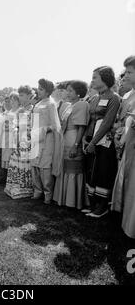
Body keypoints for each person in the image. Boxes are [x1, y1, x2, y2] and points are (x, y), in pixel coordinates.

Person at [83, 66, 120, 218]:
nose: (92, 80)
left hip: (105, 143)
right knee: (92, 172)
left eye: (95, 77)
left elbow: (107, 123)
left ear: (105, 79)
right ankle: (93, 205)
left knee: (103, 172)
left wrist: (93, 142)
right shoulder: (95, 98)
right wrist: (86, 138)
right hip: (91, 140)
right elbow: (89, 120)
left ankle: (102, 207)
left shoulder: (114, 98)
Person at [53, 80, 90, 209]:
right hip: (65, 138)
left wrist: (76, 144)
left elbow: (81, 127)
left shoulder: (82, 104)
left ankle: (73, 200)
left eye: (70, 91)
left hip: (74, 138)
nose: (67, 93)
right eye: (67, 90)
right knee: (65, 168)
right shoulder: (69, 105)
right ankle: (64, 198)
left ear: (79, 93)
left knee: (73, 169)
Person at [111, 55, 135, 239]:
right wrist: (119, 131)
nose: (125, 75)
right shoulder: (128, 95)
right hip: (128, 146)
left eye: (129, 72)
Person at [30, 79, 62, 204]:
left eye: (41, 89)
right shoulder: (37, 104)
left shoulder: (51, 104)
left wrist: (42, 130)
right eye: (38, 88)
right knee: (35, 165)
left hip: (47, 138)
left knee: (45, 166)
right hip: (35, 138)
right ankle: (37, 191)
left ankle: (48, 194)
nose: (38, 90)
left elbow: (55, 125)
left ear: (48, 91)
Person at [4, 85, 33, 199]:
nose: (20, 98)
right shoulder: (20, 110)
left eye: (22, 95)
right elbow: (15, 125)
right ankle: (15, 187)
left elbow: (33, 126)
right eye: (19, 95)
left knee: (24, 162)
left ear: (29, 96)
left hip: (27, 140)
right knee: (16, 162)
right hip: (17, 138)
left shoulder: (32, 109)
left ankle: (26, 188)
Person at [1, 91, 20, 170]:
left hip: (15, 135)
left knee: (13, 154)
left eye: (14, 100)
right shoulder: (8, 112)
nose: (12, 102)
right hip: (6, 136)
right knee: (6, 155)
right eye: (11, 100)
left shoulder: (19, 111)